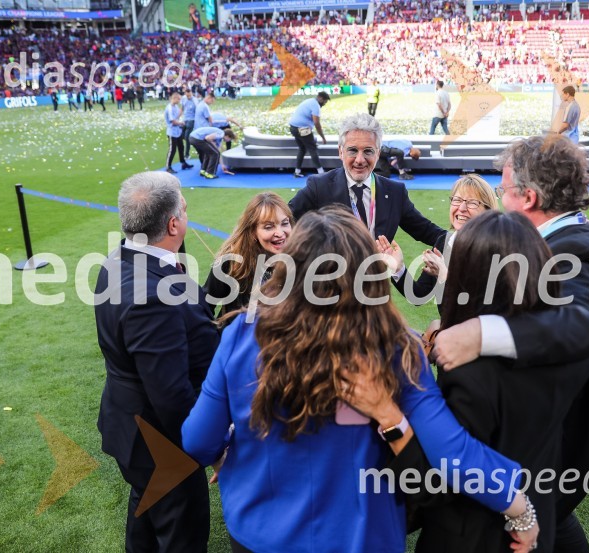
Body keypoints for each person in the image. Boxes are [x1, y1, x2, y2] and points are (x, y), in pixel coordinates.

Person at [181, 205, 538, 553]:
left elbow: (198, 439)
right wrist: (519, 507)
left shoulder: (241, 337)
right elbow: (451, 450)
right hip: (360, 535)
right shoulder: (395, 347)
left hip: (260, 531)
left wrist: (228, 453)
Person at [431, 135, 589, 553]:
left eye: (503, 190)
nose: (499, 199)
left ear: (528, 196)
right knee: (549, 521)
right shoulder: (578, 242)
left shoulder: (572, 249)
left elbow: (587, 326)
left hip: (563, 431)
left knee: (526, 515)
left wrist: (478, 333)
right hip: (561, 428)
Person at [346, 210, 589, 553]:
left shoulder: (470, 370)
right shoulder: (565, 346)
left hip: (473, 532)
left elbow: (438, 480)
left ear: (469, 276)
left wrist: (393, 413)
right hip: (541, 500)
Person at [95, 172, 219, 553]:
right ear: (173, 223)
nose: (186, 210)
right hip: (160, 443)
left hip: (131, 427)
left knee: (146, 512)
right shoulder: (155, 296)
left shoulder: (117, 259)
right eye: (182, 206)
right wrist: (212, 446)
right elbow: (172, 394)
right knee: (182, 534)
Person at [289, 113, 444, 248]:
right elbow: (285, 222)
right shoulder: (319, 187)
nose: (360, 160)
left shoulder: (395, 192)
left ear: (378, 153)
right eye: (353, 150)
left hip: (376, 281)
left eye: (368, 151)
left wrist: (463, 240)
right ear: (340, 152)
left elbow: (426, 231)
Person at [378, 174, 498, 310]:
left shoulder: (494, 248)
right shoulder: (444, 242)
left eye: (472, 202)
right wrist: (398, 268)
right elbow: (418, 295)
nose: (462, 208)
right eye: (457, 200)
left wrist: (444, 276)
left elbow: (481, 309)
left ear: (487, 211)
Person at [203, 192, 292, 321]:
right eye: (269, 227)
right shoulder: (231, 262)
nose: (280, 233)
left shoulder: (300, 260)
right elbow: (204, 307)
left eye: (284, 223)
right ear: (253, 232)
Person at [288, 91, 330, 178]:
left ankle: (297, 171)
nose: (324, 104)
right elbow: (317, 124)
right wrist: (323, 137)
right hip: (302, 129)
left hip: (293, 127)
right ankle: (321, 172)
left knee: (302, 149)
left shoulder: (309, 101)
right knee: (312, 149)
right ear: (321, 98)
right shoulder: (316, 106)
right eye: (325, 102)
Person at [164, 92, 193, 174]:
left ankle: (183, 163)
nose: (179, 101)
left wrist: (182, 111)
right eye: (178, 99)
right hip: (172, 132)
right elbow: (172, 121)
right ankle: (168, 166)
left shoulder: (175, 107)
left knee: (181, 147)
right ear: (174, 98)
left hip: (178, 131)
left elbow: (177, 116)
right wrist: (181, 123)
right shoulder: (169, 108)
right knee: (172, 150)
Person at [182, 89, 198, 159]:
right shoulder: (183, 99)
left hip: (192, 120)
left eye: (189, 93)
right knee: (182, 136)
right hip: (185, 120)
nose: (188, 95)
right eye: (187, 93)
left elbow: (197, 110)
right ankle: (198, 147)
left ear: (191, 93)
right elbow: (183, 108)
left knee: (187, 137)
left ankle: (187, 154)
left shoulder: (195, 100)